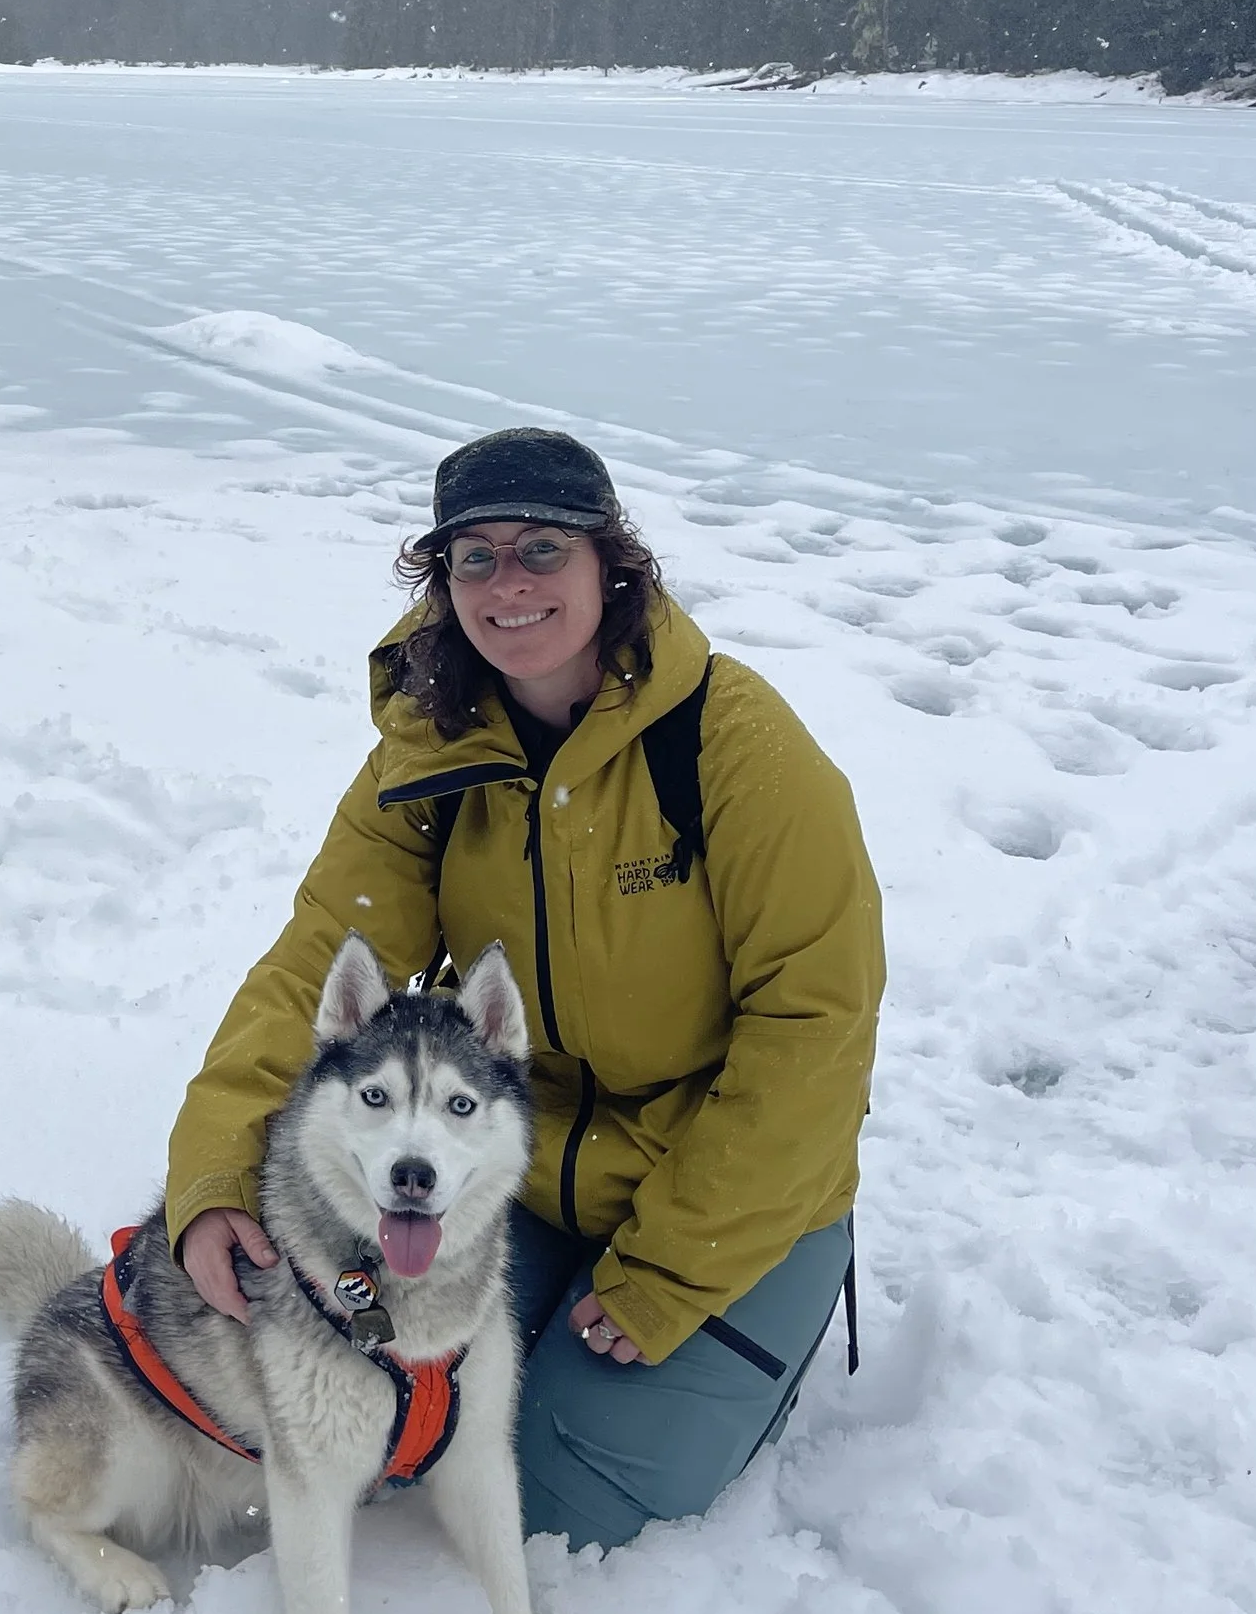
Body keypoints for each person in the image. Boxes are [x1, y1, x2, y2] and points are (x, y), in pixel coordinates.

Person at [167, 426, 883, 1552]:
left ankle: (769, 1328)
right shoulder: (434, 749)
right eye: (475, 558)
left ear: (612, 564)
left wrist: (664, 1278)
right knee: (401, 1432)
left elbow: (815, 1034)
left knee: (560, 1507)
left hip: (733, 1191)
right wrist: (212, 1170)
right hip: (528, 1170)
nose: (509, 585)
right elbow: (322, 952)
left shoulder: (734, 749)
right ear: (442, 583)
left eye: (542, 549)